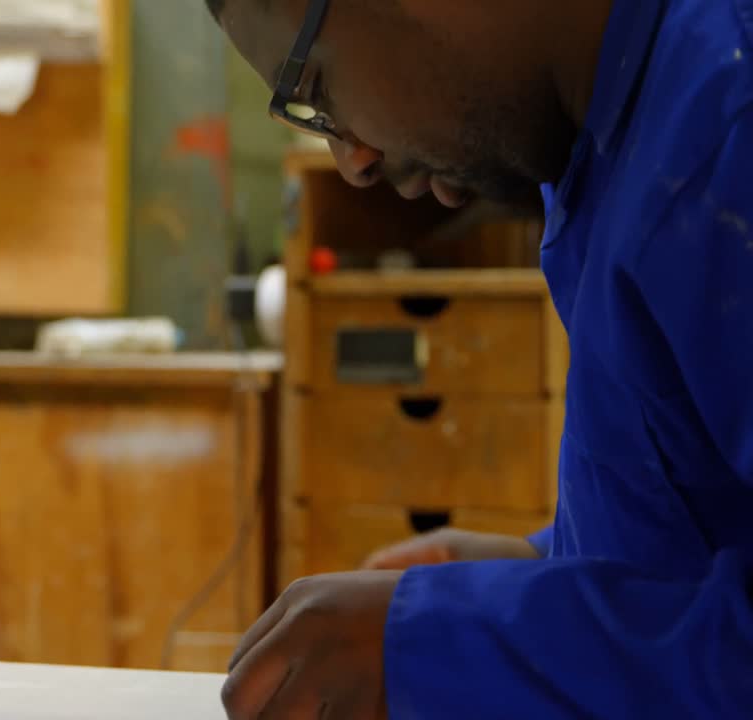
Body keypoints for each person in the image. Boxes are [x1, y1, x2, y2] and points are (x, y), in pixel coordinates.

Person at [206, 0, 753, 717]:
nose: (354, 161)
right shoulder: (599, 131)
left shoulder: (726, 129)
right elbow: (702, 516)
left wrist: (452, 643)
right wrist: (541, 575)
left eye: (315, 87)